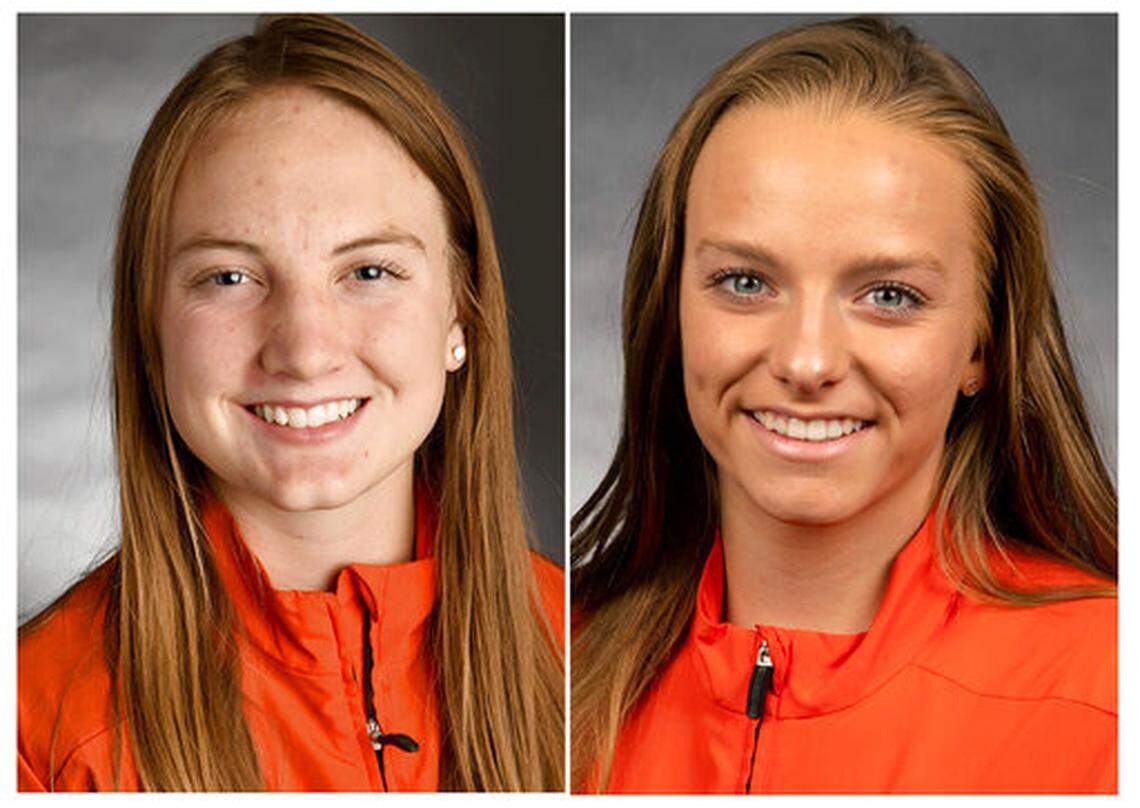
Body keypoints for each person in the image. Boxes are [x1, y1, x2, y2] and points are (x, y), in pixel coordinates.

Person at [571, 16, 1116, 794]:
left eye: (889, 295)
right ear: (670, 308)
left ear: (982, 347)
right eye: (746, 282)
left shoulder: (1107, 696)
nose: (806, 361)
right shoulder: (543, 667)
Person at [19, 15, 563, 792]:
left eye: (369, 271)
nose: (305, 351)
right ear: (151, 329)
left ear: (461, 316)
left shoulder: (597, 665)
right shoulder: (36, 732)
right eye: (229, 277)